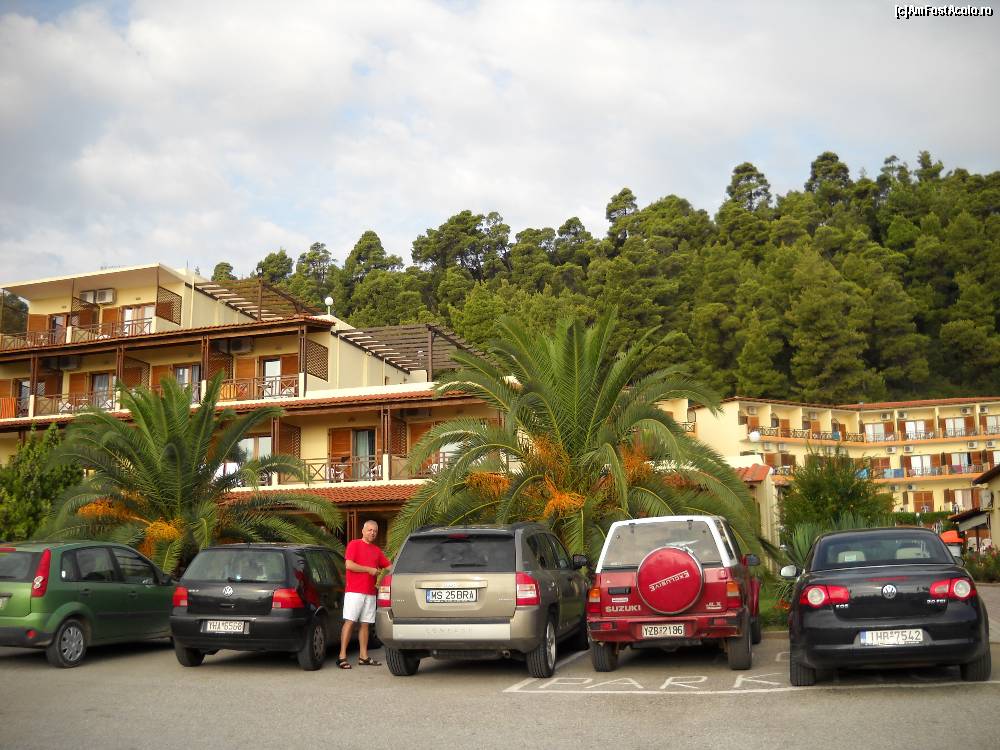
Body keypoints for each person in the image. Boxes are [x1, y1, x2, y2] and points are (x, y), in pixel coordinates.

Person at [338, 519, 391, 669]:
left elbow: (389, 566)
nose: (372, 533)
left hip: (370, 592)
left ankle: (363, 656)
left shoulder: (376, 551)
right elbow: (349, 565)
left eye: (375, 531)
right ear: (363, 531)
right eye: (370, 530)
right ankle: (342, 656)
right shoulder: (354, 544)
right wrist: (369, 570)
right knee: (350, 622)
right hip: (354, 591)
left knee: (366, 624)